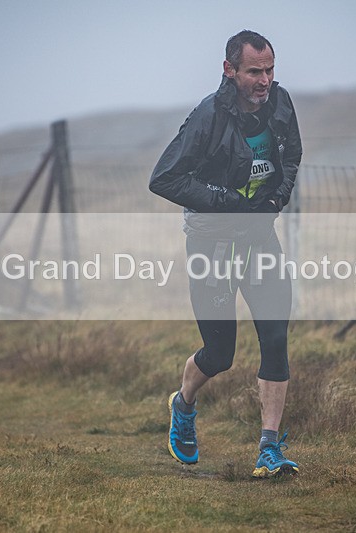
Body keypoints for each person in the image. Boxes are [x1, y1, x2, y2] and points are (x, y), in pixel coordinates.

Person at [149, 29, 302, 478]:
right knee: (220, 354)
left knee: (275, 338)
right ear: (229, 70)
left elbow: (292, 155)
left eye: (270, 70)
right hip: (212, 243)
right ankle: (183, 404)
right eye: (254, 71)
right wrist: (225, 200)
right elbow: (164, 178)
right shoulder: (208, 116)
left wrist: (277, 199)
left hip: (259, 239)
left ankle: (269, 449)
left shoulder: (281, 103)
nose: (265, 80)